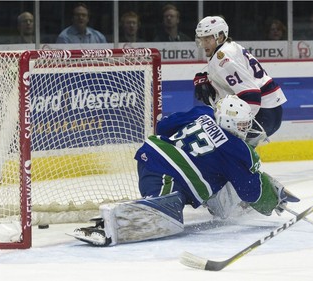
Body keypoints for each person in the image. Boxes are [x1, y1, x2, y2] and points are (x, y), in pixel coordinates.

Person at [70, 95, 298, 246]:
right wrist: (270, 197)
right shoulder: (235, 148)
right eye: (242, 125)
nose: (245, 129)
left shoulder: (204, 112)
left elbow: (164, 126)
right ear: (229, 122)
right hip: (168, 173)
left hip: (151, 158)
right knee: (168, 211)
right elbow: (250, 191)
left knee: (206, 188)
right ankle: (110, 226)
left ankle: (114, 219)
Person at [193, 16, 287, 147]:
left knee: (222, 146)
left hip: (262, 114)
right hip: (271, 110)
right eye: (201, 39)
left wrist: (239, 125)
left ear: (220, 37)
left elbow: (252, 95)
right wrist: (210, 81)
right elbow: (236, 86)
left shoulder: (222, 58)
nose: (203, 44)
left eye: (207, 39)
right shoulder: (230, 47)